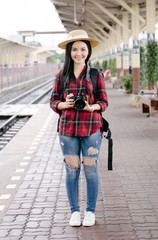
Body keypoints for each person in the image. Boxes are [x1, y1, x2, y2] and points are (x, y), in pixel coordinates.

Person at [50, 29, 108, 227]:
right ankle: (75, 212)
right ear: (69, 51)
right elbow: (53, 100)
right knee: (71, 171)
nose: (79, 53)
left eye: (83, 49)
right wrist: (62, 104)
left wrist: (93, 106)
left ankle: (90, 211)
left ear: (88, 51)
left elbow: (104, 101)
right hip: (67, 130)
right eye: (74, 49)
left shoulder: (95, 74)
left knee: (91, 170)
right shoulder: (61, 75)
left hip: (91, 128)